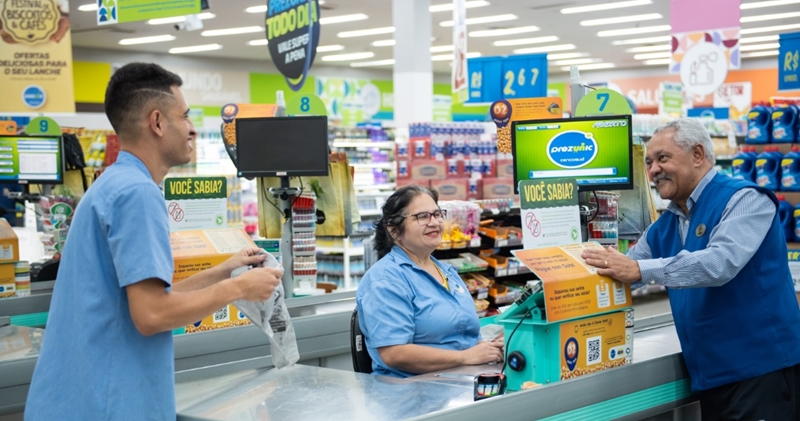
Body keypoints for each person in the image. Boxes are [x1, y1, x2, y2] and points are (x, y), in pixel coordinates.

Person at [24, 63, 283, 420]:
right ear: (158, 122)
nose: (192, 129)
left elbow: (147, 299)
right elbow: (150, 315)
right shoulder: (137, 194)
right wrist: (238, 291)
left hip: (75, 399)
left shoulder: (112, 184)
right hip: (108, 404)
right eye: (186, 116)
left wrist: (226, 271)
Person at [581, 118, 800, 420]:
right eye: (648, 162)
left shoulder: (745, 199)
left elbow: (719, 263)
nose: (653, 170)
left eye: (662, 158)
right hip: (712, 376)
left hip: (762, 371)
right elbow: (620, 273)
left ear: (697, 155)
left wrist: (640, 270)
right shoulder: (667, 224)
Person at [356, 185, 503, 378]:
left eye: (437, 214)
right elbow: (394, 353)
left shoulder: (446, 272)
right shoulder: (386, 280)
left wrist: (486, 347)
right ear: (394, 229)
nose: (434, 222)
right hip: (410, 393)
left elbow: (460, 333)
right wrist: (464, 356)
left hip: (460, 382)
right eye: (422, 216)